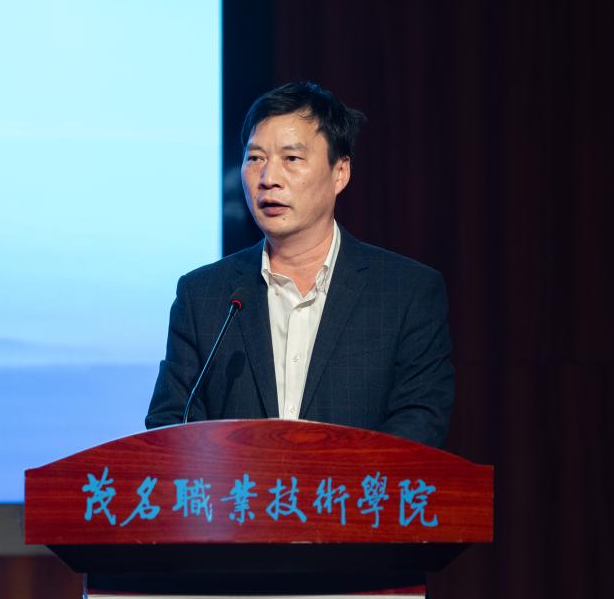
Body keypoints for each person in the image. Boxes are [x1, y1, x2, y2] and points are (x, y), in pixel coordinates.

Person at [145, 82, 453, 448]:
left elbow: (420, 422)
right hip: (238, 488)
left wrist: (323, 478)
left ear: (340, 173)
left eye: (291, 159)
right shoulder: (203, 296)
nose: (268, 179)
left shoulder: (405, 293)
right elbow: (170, 426)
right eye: (255, 158)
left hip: (357, 487)